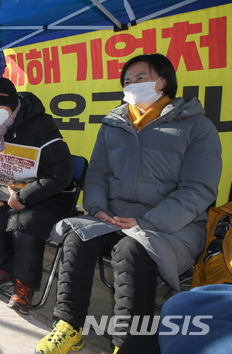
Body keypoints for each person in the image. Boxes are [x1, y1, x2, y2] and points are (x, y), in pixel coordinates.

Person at [36, 53, 222, 354]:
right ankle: (69, 326)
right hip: (113, 216)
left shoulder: (198, 128)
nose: (132, 85)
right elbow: (97, 173)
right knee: (78, 236)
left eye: (141, 78)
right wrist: (97, 209)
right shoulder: (114, 124)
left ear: (163, 81)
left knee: (133, 249)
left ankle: (130, 344)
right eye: (127, 81)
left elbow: (198, 189)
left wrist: (145, 222)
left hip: (174, 225)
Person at [0, 76, 73, 315]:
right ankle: (7, 269)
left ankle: (24, 284)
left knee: (23, 225)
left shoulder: (39, 125)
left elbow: (61, 173)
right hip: (8, 190)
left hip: (46, 194)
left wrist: (25, 196)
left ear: (12, 106)